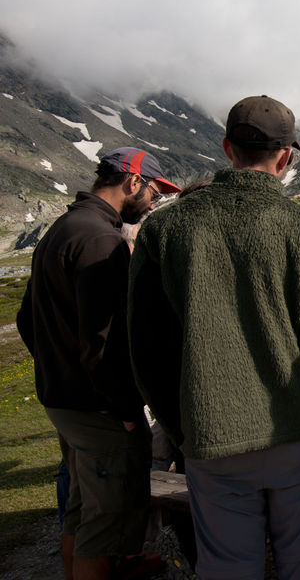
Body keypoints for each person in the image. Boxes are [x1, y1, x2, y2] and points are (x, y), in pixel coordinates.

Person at [129, 95, 300, 580]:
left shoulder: (165, 228)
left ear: (227, 148)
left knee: (229, 567)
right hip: (295, 434)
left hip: (211, 437)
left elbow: (147, 350)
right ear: (286, 157)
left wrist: (181, 426)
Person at [17, 147, 179, 579]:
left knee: (82, 505)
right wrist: (126, 410)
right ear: (133, 182)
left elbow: (25, 317)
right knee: (106, 517)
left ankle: (102, 567)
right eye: (154, 193)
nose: (153, 202)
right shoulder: (100, 240)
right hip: (98, 409)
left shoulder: (65, 227)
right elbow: (105, 342)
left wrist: (57, 370)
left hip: (66, 401)